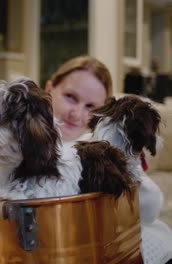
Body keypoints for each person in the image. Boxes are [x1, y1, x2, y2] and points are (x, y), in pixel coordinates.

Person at [46, 55, 172, 264]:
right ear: (49, 89)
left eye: (91, 107)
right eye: (70, 97)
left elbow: (149, 207)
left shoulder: (102, 147)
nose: (76, 113)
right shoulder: (21, 139)